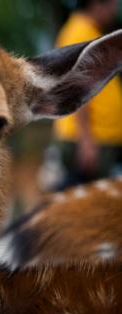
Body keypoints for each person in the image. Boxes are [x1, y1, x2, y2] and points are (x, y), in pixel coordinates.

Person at [52, 0, 122, 188]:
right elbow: (76, 89)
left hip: (97, 137)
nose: (116, 9)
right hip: (88, 140)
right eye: (113, 4)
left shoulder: (91, 30)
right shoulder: (80, 33)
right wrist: (86, 140)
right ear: (96, 4)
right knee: (88, 205)